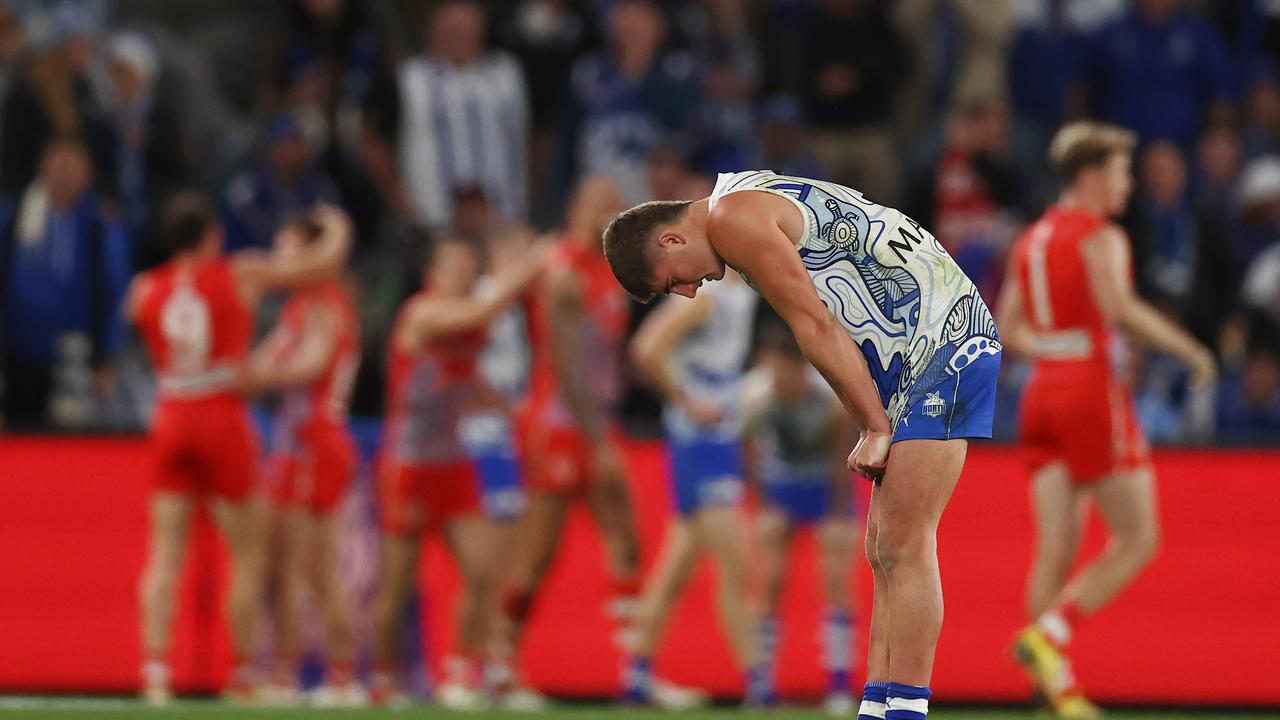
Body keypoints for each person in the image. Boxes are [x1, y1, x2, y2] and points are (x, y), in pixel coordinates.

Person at [602, 168, 1005, 720]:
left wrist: (873, 425)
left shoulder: (731, 219)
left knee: (905, 545)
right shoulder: (737, 194)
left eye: (672, 281)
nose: (689, 291)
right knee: (885, 547)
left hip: (940, 337)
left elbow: (814, 324)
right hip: (915, 338)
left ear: (672, 239)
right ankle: (878, 707)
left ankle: (905, 712)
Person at [995, 122, 1216, 719]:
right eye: (1121, 171)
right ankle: (1050, 637)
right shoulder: (1100, 235)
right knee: (1139, 537)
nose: (1129, 183)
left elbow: (1007, 323)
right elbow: (1119, 310)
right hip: (1090, 389)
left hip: (1041, 392)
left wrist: (1052, 350)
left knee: (1056, 549)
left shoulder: (1032, 238)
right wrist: (1190, 349)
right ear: (1091, 175)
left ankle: (1045, 691)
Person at [126, 196, 352, 705]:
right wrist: (338, 230)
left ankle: (155, 671)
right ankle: (244, 674)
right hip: (221, 414)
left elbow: (138, 323)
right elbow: (318, 266)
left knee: (164, 556)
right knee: (246, 557)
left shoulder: (145, 288)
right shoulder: (239, 274)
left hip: (171, 411)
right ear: (210, 234)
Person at [370, 236, 545, 709]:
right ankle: (383, 680)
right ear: (433, 272)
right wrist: (532, 262)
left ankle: (462, 672)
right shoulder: (421, 314)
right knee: (398, 584)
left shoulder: (474, 323)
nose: (466, 274)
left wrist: (510, 411)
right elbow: (479, 315)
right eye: (456, 265)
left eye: (471, 265)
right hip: (409, 466)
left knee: (483, 571)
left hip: (453, 464)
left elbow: (467, 377)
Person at [498, 177, 642, 694]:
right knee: (539, 553)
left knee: (626, 539)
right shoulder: (560, 272)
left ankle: (636, 675)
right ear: (575, 208)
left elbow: (609, 358)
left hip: (598, 420)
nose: (611, 213)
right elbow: (565, 367)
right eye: (601, 204)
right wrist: (598, 439)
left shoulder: (612, 273)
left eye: (616, 205)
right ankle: (501, 669)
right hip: (559, 424)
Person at [622, 270, 759, 706]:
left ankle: (637, 676)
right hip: (701, 439)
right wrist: (688, 403)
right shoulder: (710, 296)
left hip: (717, 436)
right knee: (735, 561)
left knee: (679, 561)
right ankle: (760, 684)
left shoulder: (743, 292)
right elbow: (645, 349)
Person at [245, 218, 363, 707]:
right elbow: (263, 362)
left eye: (289, 253)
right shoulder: (298, 307)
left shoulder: (328, 305)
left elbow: (309, 367)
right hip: (291, 445)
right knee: (279, 567)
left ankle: (336, 678)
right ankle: (287, 671)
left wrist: (243, 377)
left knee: (312, 569)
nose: (281, 265)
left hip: (317, 441)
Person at [742, 324, 863, 716]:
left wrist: (839, 515)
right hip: (782, 484)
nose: (779, 379)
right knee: (771, 580)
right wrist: (764, 508)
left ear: (800, 370)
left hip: (825, 484)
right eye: (773, 370)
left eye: (786, 372)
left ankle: (839, 685)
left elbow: (841, 458)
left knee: (835, 580)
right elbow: (748, 456)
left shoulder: (828, 398)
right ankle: (761, 686)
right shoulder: (754, 396)